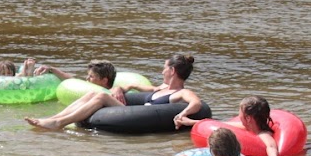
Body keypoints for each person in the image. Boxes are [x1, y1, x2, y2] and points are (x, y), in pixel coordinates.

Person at [26, 54, 204, 131]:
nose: (161, 71)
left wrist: (182, 113)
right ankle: (53, 119)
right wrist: (120, 88)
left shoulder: (182, 92)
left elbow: (196, 103)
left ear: (172, 71)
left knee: (102, 96)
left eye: (164, 68)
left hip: (135, 117)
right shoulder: (160, 88)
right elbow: (132, 86)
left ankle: (60, 123)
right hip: (130, 110)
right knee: (90, 95)